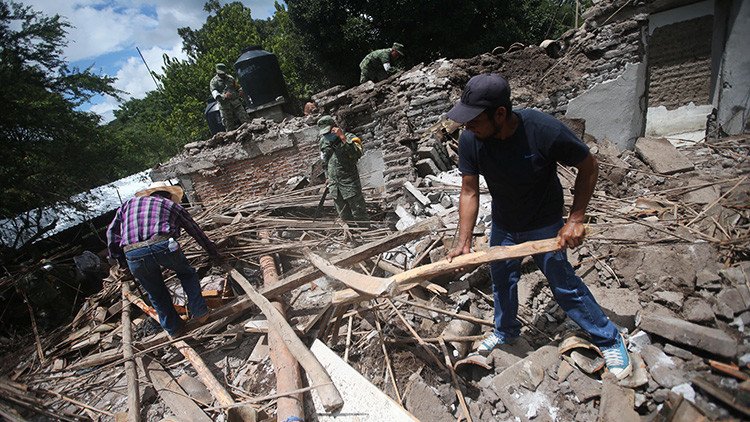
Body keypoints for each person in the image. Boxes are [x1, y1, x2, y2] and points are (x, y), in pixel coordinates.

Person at [445, 73, 632, 380]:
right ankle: (506, 331)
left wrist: (575, 219)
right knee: (502, 279)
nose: (467, 128)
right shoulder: (471, 140)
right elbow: (469, 190)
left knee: (564, 285)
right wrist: (463, 240)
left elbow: (588, 166)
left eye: (474, 120)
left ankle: (609, 338)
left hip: (545, 223)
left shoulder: (542, 130)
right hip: (505, 224)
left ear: (500, 114)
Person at [106, 181, 220, 337]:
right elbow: (196, 232)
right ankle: (200, 312)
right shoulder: (171, 205)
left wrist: (121, 261)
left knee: (155, 291)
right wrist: (213, 253)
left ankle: (174, 329)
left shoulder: (128, 204)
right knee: (187, 274)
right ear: (168, 195)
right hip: (163, 245)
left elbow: (112, 234)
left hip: (133, 253)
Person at [318, 115, 369, 223]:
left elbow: (356, 154)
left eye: (328, 132)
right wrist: (327, 176)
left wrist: (343, 138)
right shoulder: (323, 142)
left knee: (359, 211)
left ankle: (366, 234)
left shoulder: (350, 138)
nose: (327, 135)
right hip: (334, 185)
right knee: (343, 214)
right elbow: (324, 161)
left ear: (335, 127)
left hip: (349, 183)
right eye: (324, 133)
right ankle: (353, 235)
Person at [209, 63, 250, 131]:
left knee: (246, 119)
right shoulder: (214, 82)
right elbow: (214, 93)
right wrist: (223, 96)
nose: (222, 75)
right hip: (225, 106)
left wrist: (240, 90)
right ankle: (231, 140)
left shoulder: (230, 78)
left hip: (236, 103)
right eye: (220, 73)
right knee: (228, 125)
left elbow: (237, 86)